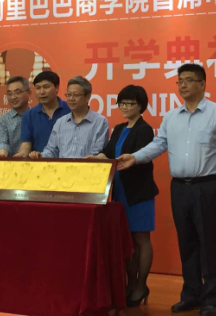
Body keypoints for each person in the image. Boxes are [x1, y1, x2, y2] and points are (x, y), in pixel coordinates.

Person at [117, 64, 216, 316]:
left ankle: (211, 299)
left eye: (189, 80)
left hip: (208, 185)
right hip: (179, 188)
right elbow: (159, 144)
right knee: (187, 243)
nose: (183, 85)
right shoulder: (171, 116)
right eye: (179, 80)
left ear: (202, 84)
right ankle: (190, 295)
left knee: (209, 244)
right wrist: (135, 158)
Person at [87, 85, 158, 307]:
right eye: (122, 103)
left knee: (141, 238)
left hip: (138, 192)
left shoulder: (145, 129)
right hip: (118, 191)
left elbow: (140, 158)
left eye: (130, 103)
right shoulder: (118, 128)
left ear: (141, 106)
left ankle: (141, 285)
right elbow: (108, 153)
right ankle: (129, 284)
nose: (125, 107)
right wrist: (95, 158)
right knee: (126, 240)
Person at [29, 76, 109, 159]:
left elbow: (98, 153)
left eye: (76, 95)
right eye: (68, 95)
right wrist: (41, 155)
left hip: (88, 166)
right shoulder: (60, 122)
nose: (71, 99)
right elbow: (52, 150)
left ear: (87, 97)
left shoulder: (100, 122)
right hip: (63, 167)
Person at [15, 71, 70, 157]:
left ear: (56, 88)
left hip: (69, 162)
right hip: (40, 162)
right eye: (38, 88)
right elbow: (26, 144)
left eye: (46, 87)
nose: (42, 92)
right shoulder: (29, 115)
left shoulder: (71, 110)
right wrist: (22, 154)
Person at [0, 76, 31, 157]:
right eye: (9, 94)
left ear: (29, 93)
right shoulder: (2, 120)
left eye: (18, 92)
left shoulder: (36, 116)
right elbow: (2, 142)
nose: (13, 97)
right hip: (13, 162)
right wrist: (2, 152)